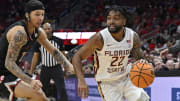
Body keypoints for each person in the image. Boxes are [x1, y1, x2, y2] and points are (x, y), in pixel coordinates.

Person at [72, 6, 150, 101]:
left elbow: (139, 56)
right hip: (107, 81)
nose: (111, 21)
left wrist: (144, 63)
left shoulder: (132, 36)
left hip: (127, 77)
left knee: (142, 99)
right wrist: (81, 80)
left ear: (124, 21)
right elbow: (77, 56)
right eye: (109, 18)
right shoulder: (99, 38)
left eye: (116, 18)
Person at [0, 0, 72, 101]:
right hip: (3, 72)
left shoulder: (38, 32)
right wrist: (30, 81)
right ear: (27, 15)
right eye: (37, 14)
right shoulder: (20, 33)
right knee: (37, 94)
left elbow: (53, 51)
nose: (40, 18)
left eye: (42, 14)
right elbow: (9, 63)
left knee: (39, 95)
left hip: (11, 72)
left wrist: (68, 65)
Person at [30, 22, 69, 101]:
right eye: (45, 29)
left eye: (49, 28)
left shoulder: (58, 41)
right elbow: (35, 57)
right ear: (42, 30)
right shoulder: (38, 42)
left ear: (52, 29)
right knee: (42, 90)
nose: (47, 30)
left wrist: (66, 70)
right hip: (45, 69)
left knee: (62, 89)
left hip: (57, 68)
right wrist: (31, 71)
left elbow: (63, 56)